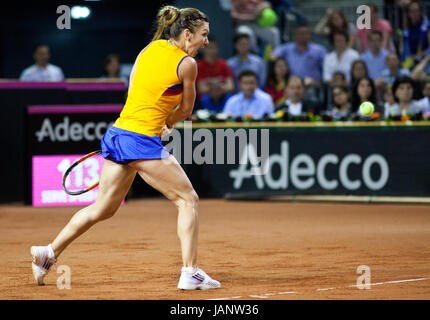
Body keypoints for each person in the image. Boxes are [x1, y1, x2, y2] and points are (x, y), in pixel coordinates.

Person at [30, 6, 221, 291]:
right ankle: (190, 272)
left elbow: (134, 90)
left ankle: (48, 253)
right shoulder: (187, 64)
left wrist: (154, 119)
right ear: (187, 33)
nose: (206, 42)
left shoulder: (150, 49)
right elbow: (188, 109)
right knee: (187, 200)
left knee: (103, 208)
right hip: (140, 140)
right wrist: (166, 122)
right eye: (203, 35)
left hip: (119, 132)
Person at [399, 0, 430, 68]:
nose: (415, 14)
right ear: (408, 13)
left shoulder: (427, 26)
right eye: (412, 11)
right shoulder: (405, 28)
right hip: (409, 60)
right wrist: (403, 58)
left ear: (420, 12)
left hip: (424, 60)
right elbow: (401, 47)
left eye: (416, 11)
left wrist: (421, 54)